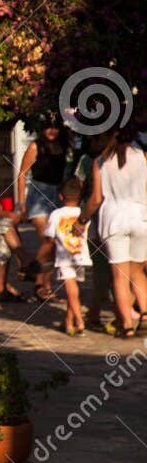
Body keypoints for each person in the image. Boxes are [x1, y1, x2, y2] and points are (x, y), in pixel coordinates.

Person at [82, 128, 147, 336]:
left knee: (119, 276)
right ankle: (145, 314)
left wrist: (82, 219)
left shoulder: (100, 162)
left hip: (114, 219)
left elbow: (96, 199)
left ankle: (126, 325)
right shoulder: (143, 157)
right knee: (137, 271)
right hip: (140, 216)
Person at [17, 117, 71, 300]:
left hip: (57, 196)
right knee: (49, 241)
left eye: (56, 127)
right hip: (38, 195)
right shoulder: (35, 146)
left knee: (55, 245)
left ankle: (43, 285)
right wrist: (21, 202)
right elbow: (22, 174)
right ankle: (32, 269)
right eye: (48, 127)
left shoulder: (64, 147)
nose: (52, 131)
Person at [46, 179, 91, 335]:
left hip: (64, 257)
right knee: (74, 290)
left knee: (70, 290)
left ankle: (79, 321)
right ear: (80, 197)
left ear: (60, 196)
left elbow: (49, 238)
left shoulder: (56, 214)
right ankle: (68, 322)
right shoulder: (83, 214)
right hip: (80, 255)